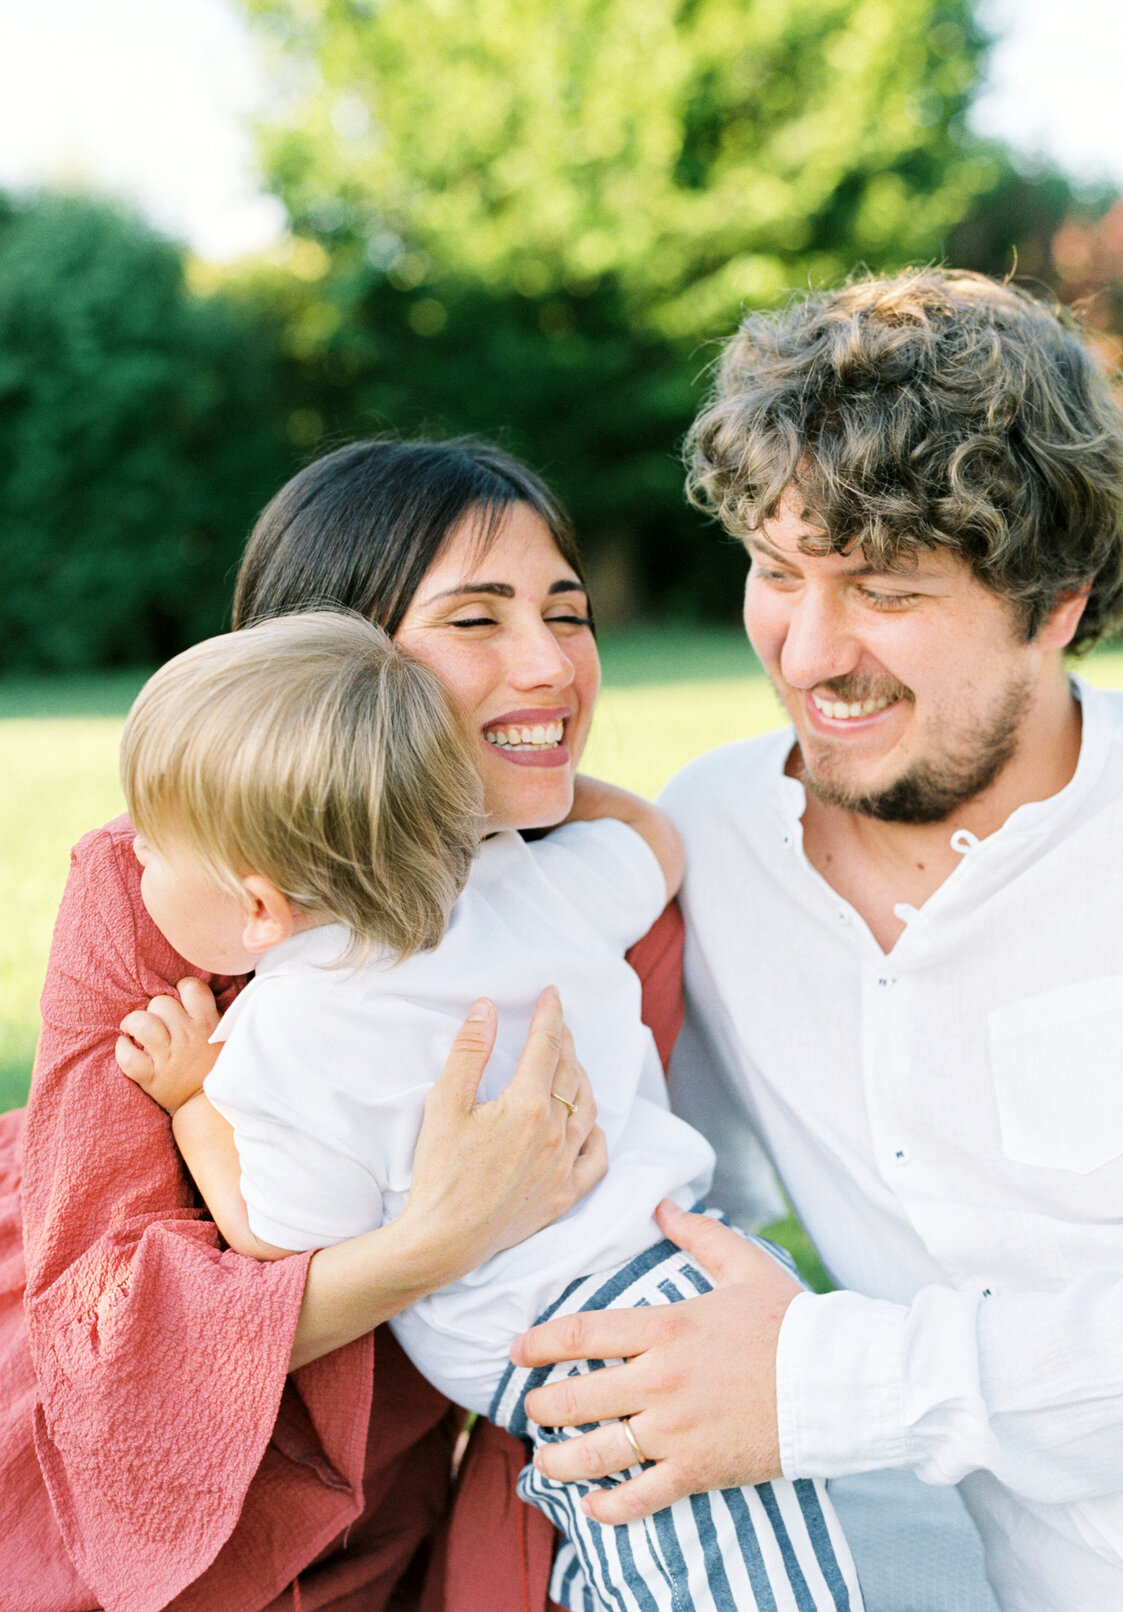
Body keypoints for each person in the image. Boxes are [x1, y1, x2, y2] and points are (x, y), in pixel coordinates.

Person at [507, 270, 1123, 1611]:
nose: (811, 653)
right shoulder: (702, 840)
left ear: (1056, 600)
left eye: (884, 589)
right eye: (778, 571)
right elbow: (629, 1181)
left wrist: (818, 1387)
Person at [0, 439, 680, 1612]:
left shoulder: (573, 895)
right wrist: (435, 1240)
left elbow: (593, 1241)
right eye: (476, 619)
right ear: (332, 658)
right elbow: (104, 1331)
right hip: (87, 1468)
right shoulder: (157, 875)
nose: (550, 665)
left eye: (568, 615)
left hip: (391, 1471)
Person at [115, 608, 865, 1612]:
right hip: (672, 1288)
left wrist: (193, 1099)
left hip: (613, 1359)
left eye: (153, 847)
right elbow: (655, 843)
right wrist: (488, 810)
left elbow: (280, 1241)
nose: (137, 863)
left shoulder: (284, 1038)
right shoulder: (520, 878)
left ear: (259, 910)